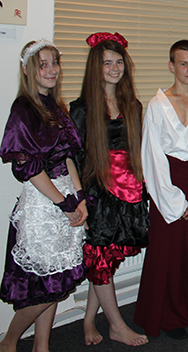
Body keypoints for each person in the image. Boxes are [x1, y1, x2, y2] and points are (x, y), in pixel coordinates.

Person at [0, 40, 88, 352]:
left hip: (64, 197)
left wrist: (79, 197)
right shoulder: (23, 110)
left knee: (57, 278)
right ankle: (8, 343)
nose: (51, 70)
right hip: (44, 202)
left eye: (54, 63)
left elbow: (67, 157)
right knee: (47, 285)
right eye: (43, 64)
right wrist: (63, 203)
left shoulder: (55, 106)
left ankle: (42, 345)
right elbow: (29, 168)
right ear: (27, 70)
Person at [134, 40, 188, 339]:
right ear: (171, 66)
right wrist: (173, 201)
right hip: (168, 184)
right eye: (183, 63)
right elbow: (152, 157)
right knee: (168, 254)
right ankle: (169, 316)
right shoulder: (157, 105)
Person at [69, 32, 148, 346]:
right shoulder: (82, 109)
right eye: (107, 63)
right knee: (100, 259)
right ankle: (116, 325)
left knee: (107, 260)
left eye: (119, 62)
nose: (115, 68)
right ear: (96, 67)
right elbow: (73, 159)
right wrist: (78, 200)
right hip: (98, 193)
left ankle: (89, 319)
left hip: (129, 189)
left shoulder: (133, 105)